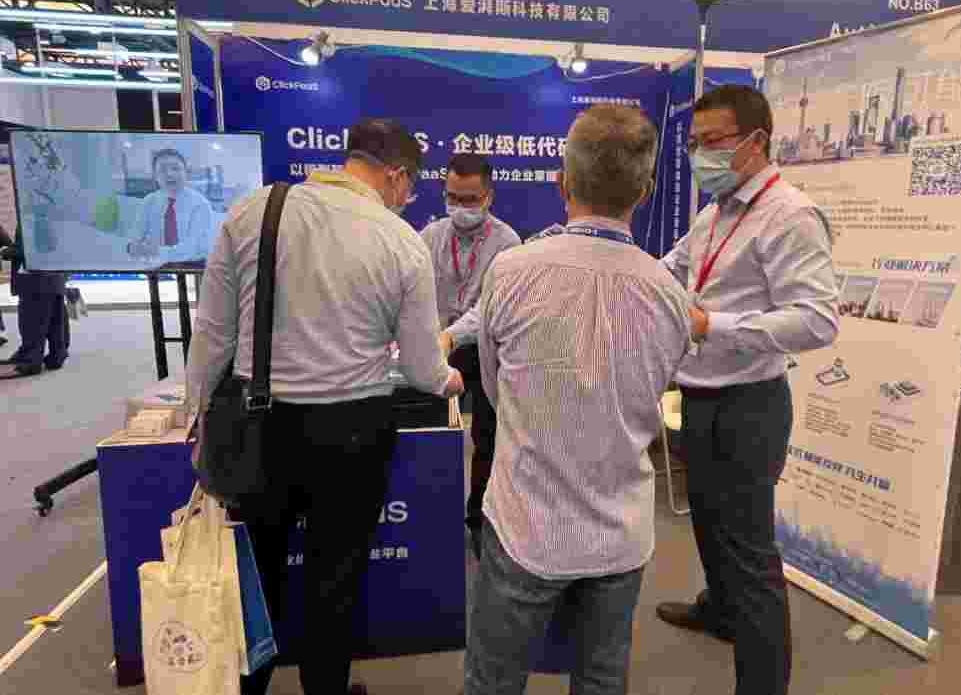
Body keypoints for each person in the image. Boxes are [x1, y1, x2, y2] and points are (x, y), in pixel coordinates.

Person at [185, 118, 464, 695]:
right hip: (353, 431)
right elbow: (420, 368)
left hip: (260, 424)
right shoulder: (399, 240)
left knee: (258, 571)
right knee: (334, 577)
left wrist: (198, 414)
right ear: (398, 176)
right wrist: (449, 380)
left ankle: (251, 685)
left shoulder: (254, 211)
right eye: (409, 189)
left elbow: (212, 333)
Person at [465, 105, 692, 695]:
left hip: (526, 520)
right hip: (621, 529)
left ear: (561, 182)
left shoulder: (510, 271)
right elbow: (659, 388)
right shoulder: (669, 294)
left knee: (493, 681)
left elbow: (492, 386)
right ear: (644, 191)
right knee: (601, 680)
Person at [655, 85, 839, 695]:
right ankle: (721, 611)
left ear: (756, 141)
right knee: (708, 523)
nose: (699, 155)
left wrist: (714, 325)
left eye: (712, 142)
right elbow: (672, 269)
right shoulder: (714, 213)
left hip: (748, 404)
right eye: (693, 143)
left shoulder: (790, 216)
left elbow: (816, 320)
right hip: (700, 395)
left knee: (750, 551)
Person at [421, 153, 520, 558]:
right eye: (453, 197)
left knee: (488, 438)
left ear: (489, 196)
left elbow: (488, 308)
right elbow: (416, 293)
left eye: (470, 199)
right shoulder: (429, 236)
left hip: (486, 348)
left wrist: (449, 336)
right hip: (436, 345)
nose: (460, 207)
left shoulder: (508, 243)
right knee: (427, 430)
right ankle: (427, 516)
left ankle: (478, 518)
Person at [0, 222, 69, 377]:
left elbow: (35, 248)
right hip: (53, 277)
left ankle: (30, 360)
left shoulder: (34, 219)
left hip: (35, 280)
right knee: (54, 321)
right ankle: (56, 356)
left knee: (31, 322)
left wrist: (7, 252)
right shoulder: (49, 216)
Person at [128, 149, 213, 265]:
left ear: (186, 173)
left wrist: (156, 251)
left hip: (193, 265)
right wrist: (133, 246)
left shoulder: (200, 204)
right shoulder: (149, 201)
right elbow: (136, 235)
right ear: (155, 176)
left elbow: (191, 248)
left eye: (175, 168)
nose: (169, 174)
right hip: (155, 263)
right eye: (162, 170)